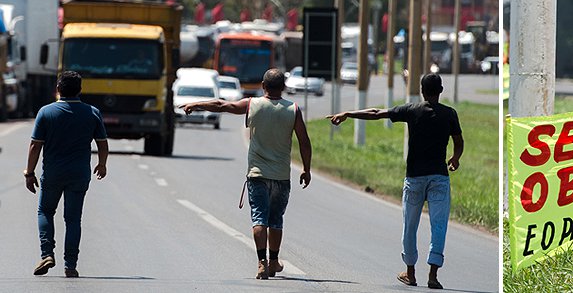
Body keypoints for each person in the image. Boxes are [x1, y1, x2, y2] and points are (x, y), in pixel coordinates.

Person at [326, 73, 463, 290]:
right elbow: (459, 141)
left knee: (410, 226)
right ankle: (433, 275)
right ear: (441, 90)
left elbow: (376, 113)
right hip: (439, 178)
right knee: (439, 226)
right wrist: (455, 158)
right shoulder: (449, 114)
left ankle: (410, 273)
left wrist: (348, 114)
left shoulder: (411, 110)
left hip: (415, 178)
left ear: (421, 90)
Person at [178, 68, 312, 280]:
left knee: (259, 216)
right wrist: (306, 168)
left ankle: (262, 262)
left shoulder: (252, 104)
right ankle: (274, 260)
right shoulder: (293, 110)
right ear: (284, 88)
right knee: (276, 218)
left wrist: (196, 104)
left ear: (263, 86)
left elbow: (222, 105)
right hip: (280, 176)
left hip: (257, 174)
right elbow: (304, 141)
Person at [24, 71, 109, 278]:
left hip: (52, 173)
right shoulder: (92, 112)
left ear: (58, 89)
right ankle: (70, 265)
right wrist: (102, 164)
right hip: (79, 174)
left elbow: (35, 145)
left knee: (45, 212)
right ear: (80, 90)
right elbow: (102, 143)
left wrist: (29, 172)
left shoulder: (46, 112)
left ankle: (47, 254)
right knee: (73, 219)